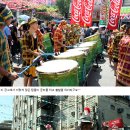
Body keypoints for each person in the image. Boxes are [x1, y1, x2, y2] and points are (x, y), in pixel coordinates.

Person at [0, 4, 18, 86]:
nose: (12, 18)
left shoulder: (2, 32)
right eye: (9, 16)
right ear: (3, 17)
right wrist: (8, 74)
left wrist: (11, 68)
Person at [21, 17, 41, 86]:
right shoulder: (25, 34)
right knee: (27, 75)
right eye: (36, 23)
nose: (37, 25)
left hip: (34, 57)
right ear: (31, 24)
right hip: (27, 58)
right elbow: (26, 49)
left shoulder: (35, 34)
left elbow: (36, 46)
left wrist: (40, 52)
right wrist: (35, 53)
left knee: (32, 75)